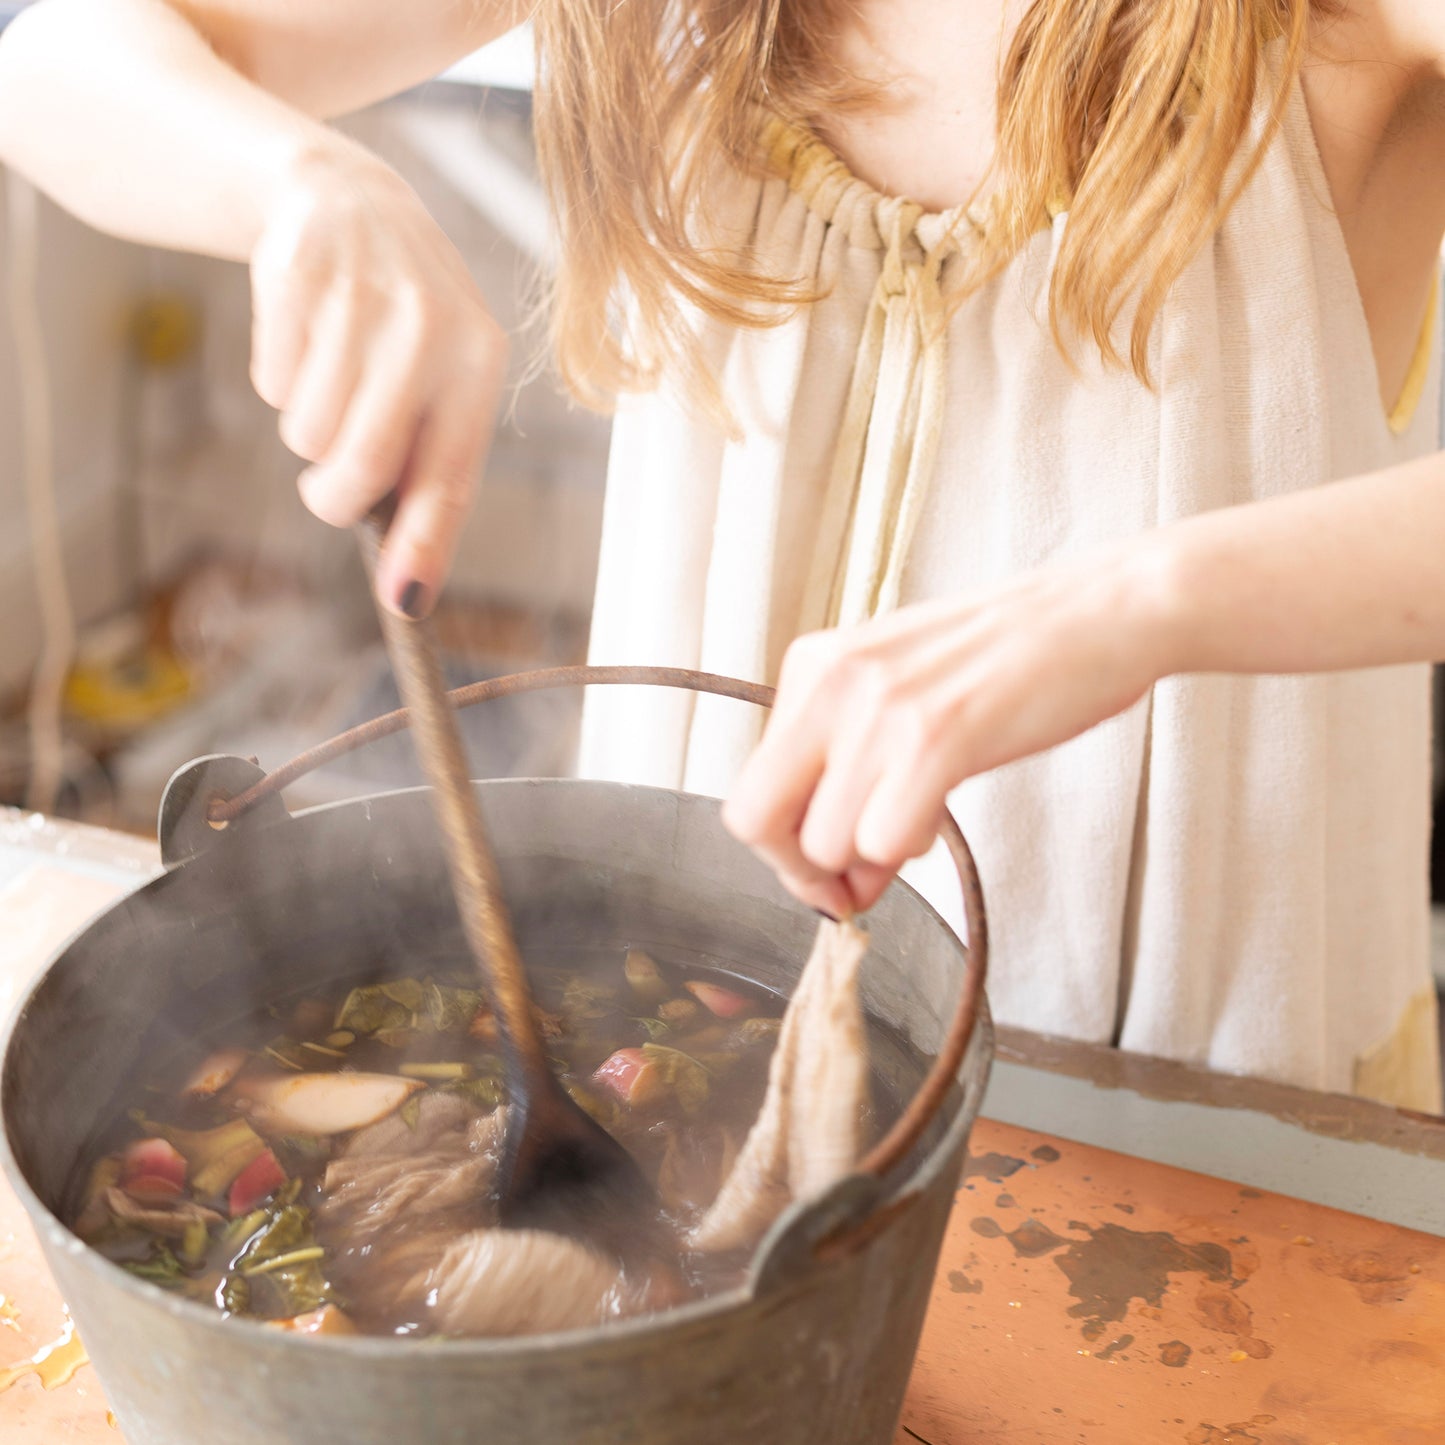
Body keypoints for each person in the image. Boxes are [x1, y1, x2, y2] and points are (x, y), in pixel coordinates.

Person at [2, 0, 1443, 1111]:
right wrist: (304, 182)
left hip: (1194, 1104)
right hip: (701, 1045)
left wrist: (1143, 596)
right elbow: (54, 53)